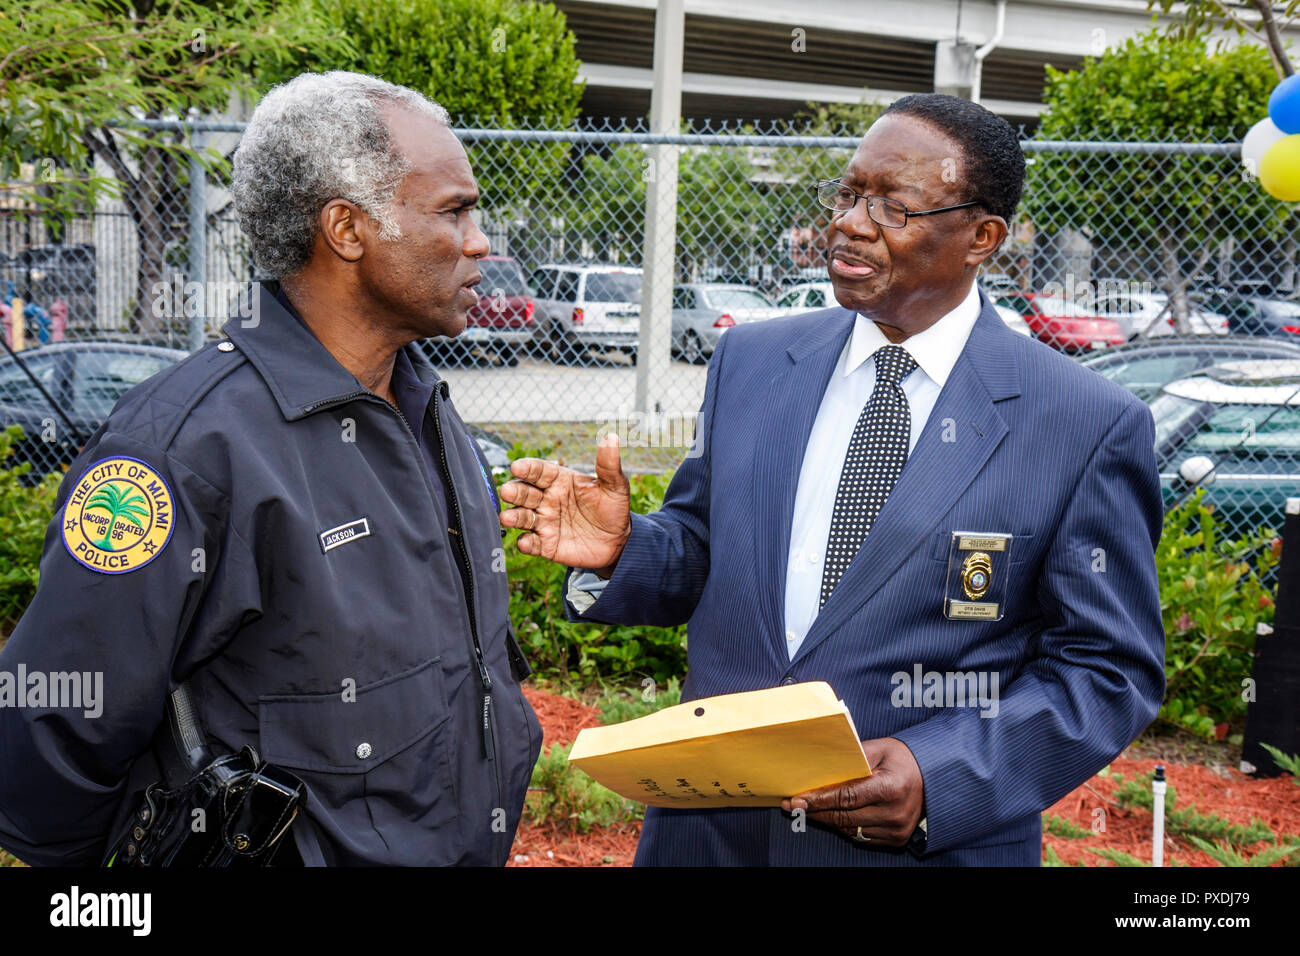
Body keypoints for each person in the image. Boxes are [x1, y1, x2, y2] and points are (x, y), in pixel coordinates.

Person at [499, 94, 1165, 866]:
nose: (848, 222)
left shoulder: (1083, 422)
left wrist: (939, 773)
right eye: (848, 194)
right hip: (708, 837)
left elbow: (1106, 669)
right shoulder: (750, 361)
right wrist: (626, 548)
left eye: (893, 206)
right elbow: (704, 550)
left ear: (982, 237)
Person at [0, 71, 541, 866]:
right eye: (453, 211)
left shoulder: (426, 408)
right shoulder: (180, 451)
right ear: (346, 229)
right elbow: (51, 736)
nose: (480, 240)